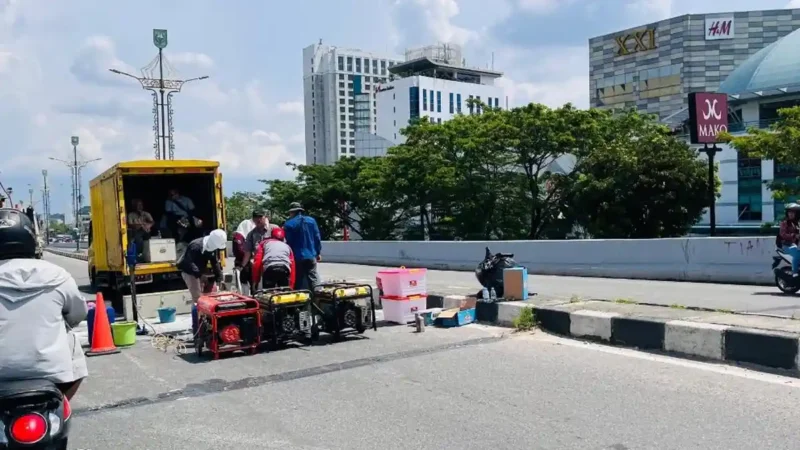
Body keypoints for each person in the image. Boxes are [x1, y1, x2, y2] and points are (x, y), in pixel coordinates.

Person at [0, 208, 88, 400]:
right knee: (70, 338)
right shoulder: (57, 275)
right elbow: (78, 314)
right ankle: (59, 406)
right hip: (53, 372)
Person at [177, 228, 226, 303]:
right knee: (198, 297)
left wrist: (219, 278)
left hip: (199, 269)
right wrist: (200, 275)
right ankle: (198, 309)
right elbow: (189, 262)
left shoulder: (212, 247)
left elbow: (214, 262)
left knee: (208, 294)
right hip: (189, 271)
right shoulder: (195, 246)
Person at [283, 202, 322, 290]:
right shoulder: (311, 221)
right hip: (311, 255)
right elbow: (317, 238)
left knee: (298, 278)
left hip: (297, 256)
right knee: (313, 277)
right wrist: (318, 252)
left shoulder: (288, 224)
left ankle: (300, 296)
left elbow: (288, 242)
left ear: (292, 212)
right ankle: (318, 295)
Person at [233, 217, 257, 295]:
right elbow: (240, 251)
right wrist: (251, 255)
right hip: (243, 263)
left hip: (246, 262)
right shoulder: (239, 237)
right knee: (245, 283)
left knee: (250, 282)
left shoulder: (244, 236)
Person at [779, 203, 800, 278]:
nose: (791, 214)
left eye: (793, 212)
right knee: (798, 254)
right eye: (789, 212)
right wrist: (794, 235)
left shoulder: (797, 223)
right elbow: (783, 234)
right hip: (787, 245)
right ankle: (795, 272)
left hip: (797, 245)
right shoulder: (784, 223)